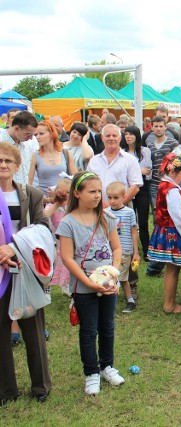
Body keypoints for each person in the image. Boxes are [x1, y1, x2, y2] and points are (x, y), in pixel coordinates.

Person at [57, 171, 124, 396]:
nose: (97, 196)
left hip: (108, 285)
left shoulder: (106, 218)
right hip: (84, 287)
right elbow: (67, 257)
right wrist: (89, 283)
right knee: (88, 330)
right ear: (77, 193)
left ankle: (107, 366)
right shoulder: (68, 223)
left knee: (107, 326)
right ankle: (92, 372)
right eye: (92, 191)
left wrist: (112, 274)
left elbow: (116, 248)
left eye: (99, 191)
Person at [0, 142, 52, 405]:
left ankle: (41, 387)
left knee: (33, 327)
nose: (3, 165)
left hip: (24, 269)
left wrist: (15, 247)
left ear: (17, 166)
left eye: (8, 161)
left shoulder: (30, 194)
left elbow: (43, 227)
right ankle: (6, 390)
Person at [148, 153, 181, 314]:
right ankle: (169, 305)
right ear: (171, 172)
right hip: (173, 232)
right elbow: (178, 216)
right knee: (173, 269)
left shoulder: (164, 185)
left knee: (172, 269)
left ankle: (169, 303)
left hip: (166, 229)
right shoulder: (172, 190)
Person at [146, 116, 179, 277]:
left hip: (169, 185)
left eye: (161, 126)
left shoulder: (173, 144)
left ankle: (159, 262)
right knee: (158, 222)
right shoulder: (149, 144)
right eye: (156, 126)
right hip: (154, 187)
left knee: (168, 221)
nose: (158, 128)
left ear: (166, 127)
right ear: (151, 127)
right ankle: (156, 261)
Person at [105, 182, 139, 313]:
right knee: (109, 275)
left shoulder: (129, 212)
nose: (112, 201)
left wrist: (136, 252)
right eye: (109, 197)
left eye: (115, 197)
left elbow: (134, 232)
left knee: (122, 277)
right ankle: (109, 301)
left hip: (124, 250)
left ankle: (130, 300)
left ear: (123, 197)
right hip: (108, 251)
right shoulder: (105, 213)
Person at [122, 126, 152, 262]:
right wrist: (139, 171)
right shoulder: (121, 152)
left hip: (142, 188)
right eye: (126, 134)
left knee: (143, 221)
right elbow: (125, 172)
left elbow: (148, 171)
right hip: (127, 188)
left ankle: (147, 251)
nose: (128, 137)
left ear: (137, 136)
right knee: (129, 221)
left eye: (131, 134)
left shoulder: (145, 151)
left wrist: (137, 171)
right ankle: (131, 250)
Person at [29, 121, 77, 202]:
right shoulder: (35, 156)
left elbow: (76, 178)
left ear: (51, 134)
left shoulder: (65, 153)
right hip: (44, 201)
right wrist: (43, 199)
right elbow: (29, 183)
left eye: (41, 133)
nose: (37, 137)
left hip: (65, 201)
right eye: (36, 134)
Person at [45, 177, 72, 297]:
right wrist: (56, 204)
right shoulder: (51, 205)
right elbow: (44, 216)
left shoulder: (72, 206)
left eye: (67, 193)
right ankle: (48, 287)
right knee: (52, 264)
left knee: (69, 263)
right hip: (54, 241)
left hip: (69, 240)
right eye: (62, 192)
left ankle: (68, 285)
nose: (64, 195)